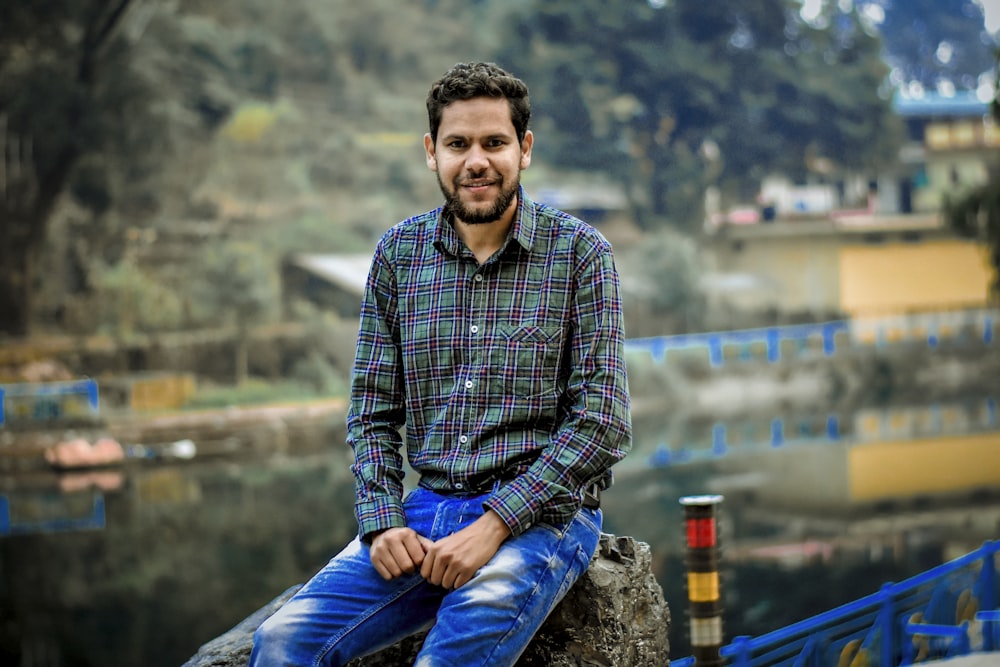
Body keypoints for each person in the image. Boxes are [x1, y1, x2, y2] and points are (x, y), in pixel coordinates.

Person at [250, 61, 631, 667]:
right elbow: (372, 410)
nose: (476, 160)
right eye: (458, 144)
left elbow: (603, 420)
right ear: (432, 152)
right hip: (424, 511)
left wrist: (495, 524)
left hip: (543, 518)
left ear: (523, 149)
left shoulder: (581, 254)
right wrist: (381, 520)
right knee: (281, 641)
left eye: (494, 143)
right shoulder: (399, 256)